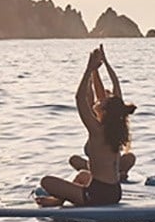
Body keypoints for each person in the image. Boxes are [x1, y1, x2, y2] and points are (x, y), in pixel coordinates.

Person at [37, 46, 135, 207]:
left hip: (98, 195)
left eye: (101, 101)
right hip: (115, 192)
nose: (98, 99)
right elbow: (116, 86)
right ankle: (58, 200)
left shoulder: (97, 130)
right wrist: (106, 62)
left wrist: (89, 69)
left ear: (104, 110)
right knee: (83, 175)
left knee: (46, 181)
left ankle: (65, 199)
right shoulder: (117, 127)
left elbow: (79, 98)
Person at [66, 44, 136, 180]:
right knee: (74, 160)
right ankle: (115, 173)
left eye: (105, 97)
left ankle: (113, 173)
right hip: (99, 168)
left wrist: (94, 67)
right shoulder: (98, 119)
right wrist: (94, 70)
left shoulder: (101, 125)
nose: (102, 97)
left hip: (104, 174)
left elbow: (114, 84)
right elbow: (92, 92)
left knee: (129, 157)